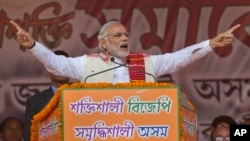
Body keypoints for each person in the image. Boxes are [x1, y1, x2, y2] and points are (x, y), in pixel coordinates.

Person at [10, 20, 241, 84]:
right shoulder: (86, 64)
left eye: (126, 35)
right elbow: (55, 65)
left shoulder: (147, 62)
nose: (125, 39)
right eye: (118, 35)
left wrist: (211, 44)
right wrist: (32, 44)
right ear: (103, 43)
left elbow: (179, 58)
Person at [23, 50, 70, 141]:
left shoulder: (82, 98)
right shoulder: (35, 102)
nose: (60, 69)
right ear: (48, 70)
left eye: (64, 66)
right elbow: (29, 137)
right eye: (56, 65)